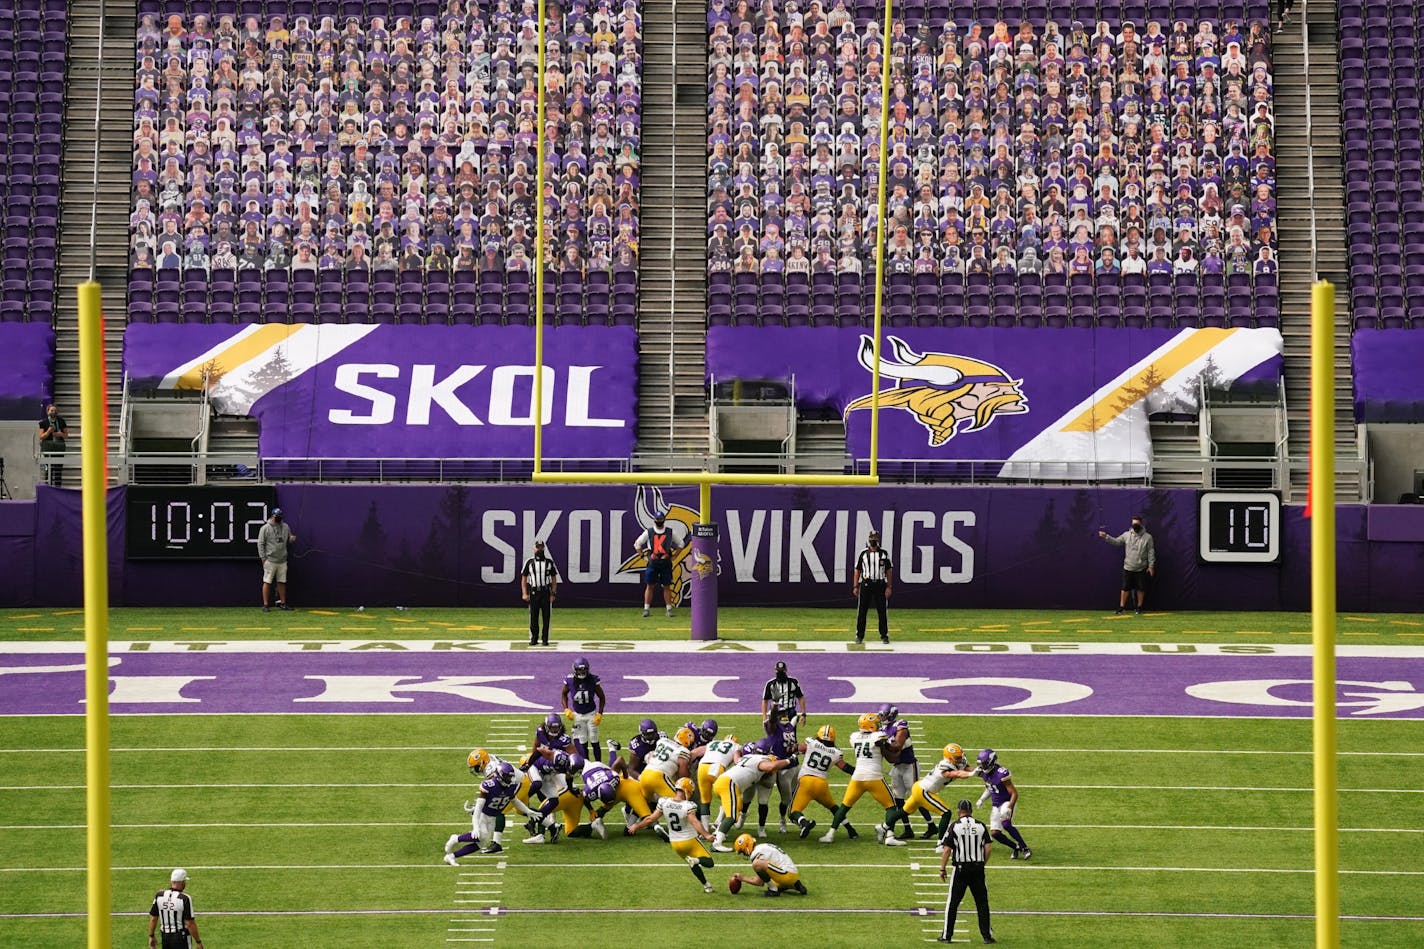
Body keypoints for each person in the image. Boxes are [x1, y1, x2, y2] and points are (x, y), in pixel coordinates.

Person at [819, 712, 907, 846]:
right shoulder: (878, 735)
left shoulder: (854, 737)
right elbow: (889, 747)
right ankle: (889, 836)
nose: (878, 725)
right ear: (870, 725)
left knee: (844, 807)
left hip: (858, 777)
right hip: (874, 777)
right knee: (891, 807)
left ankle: (830, 834)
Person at [628, 777, 719, 893]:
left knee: (691, 862)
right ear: (687, 791)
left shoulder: (664, 802)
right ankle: (696, 862)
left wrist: (636, 826)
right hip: (689, 840)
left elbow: (650, 819)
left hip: (675, 844)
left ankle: (707, 886)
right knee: (708, 862)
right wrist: (706, 835)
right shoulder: (688, 805)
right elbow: (695, 822)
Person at [787, 724, 859, 840]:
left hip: (806, 781)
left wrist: (792, 747)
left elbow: (796, 748)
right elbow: (845, 767)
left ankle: (804, 823)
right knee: (834, 808)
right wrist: (859, 772)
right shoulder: (836, 752)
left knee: (793, 811)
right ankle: (851, 830)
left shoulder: (811, 743)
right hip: (821, 784)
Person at [937, 800, 995, 944]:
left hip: (961, 869)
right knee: (982, 903)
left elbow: (947, 849)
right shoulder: (980, 825)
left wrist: (942, 868)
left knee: (953, 903)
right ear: (971, 811)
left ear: (959, 811)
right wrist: (982, 864)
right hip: (977, 868)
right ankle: (986, 936)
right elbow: (988, 848)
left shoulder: (955, 826)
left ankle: (947, 935)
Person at [974, 748, 1032, 859]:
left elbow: (1014, 793)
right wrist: (982, 799)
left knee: (1006, 824)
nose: (982, 767)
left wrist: (1009, 807)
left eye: (985, 764)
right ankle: (1016, 847)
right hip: (996, 805)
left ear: (991, 762)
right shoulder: (984, 774)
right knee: (995, 833)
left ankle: (1025, 848)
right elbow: (990, 788)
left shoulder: (1001, 774)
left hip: (1007, 801)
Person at [633, 510, 688, 617]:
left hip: (665, 563)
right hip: (653, 563)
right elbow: (637, 544)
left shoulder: (670, 532)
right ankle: (646, 609)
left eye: (661, 519)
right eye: (658, 519)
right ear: (654, 520)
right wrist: (643, 556)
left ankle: (669, 609)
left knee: (667, 586)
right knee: (650, 585)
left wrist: (675, 555)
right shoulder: (648, 532)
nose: (659, 521)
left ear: (664, 520)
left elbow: (681, 543)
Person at [1098, 514, 1156, 614]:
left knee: (1140, 589)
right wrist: (1106, 537)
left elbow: (1151, 552)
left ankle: (1139, 607)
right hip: (1128, 567)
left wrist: (1151, 566)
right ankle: (1121, 607)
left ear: (1141, 524)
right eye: (1133, 524)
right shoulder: (1126, 535)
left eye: (1137, 524)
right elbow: (1116, 542)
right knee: (1125, 588)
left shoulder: (1148, 537)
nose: (1135, 526)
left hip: (1141, 568)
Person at [560, 656, 607, 761]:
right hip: (578, 715)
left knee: (594, 741)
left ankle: (599, 763)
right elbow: (563, 694)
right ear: (574, 670)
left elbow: (602, 697)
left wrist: (599, 713)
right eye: (579, 670)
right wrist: (566, 709)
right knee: (582, 742)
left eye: (584, 669)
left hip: (591, 714)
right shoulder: (570, 680)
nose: (582, 672)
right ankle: (587, 764)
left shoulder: (593, 680)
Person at [729, 833, 807, 896]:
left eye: (742, 851)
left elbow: (759, 879)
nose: (744, 854)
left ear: (747, 847)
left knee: (756, 864)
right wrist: (743, 878)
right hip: (790, 874)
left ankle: (773, 890)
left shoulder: (757, 853)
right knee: (771, 881)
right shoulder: (761, 848)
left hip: (787, 874)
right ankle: (795, 885)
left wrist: (743, 878)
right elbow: (759, 881)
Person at [853, 529, 894, 643]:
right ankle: (859, 635)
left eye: (875, 538)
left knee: (882, 611)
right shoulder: (863, 554)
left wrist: (889, 586)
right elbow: (857, 570)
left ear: (878, 540)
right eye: (871, 538)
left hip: (880, 584)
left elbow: (889, 570)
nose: (873, 541)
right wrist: (855, 586)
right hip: (866, 583)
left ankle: (884, 635)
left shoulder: (884, 554)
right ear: (868, 539)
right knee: (862, 610)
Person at [148, 868, 203, 949]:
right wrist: (198, 942)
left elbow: (153, 918)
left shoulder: (159, 895)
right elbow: (190, 923)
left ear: (171, 881)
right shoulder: (184, 898)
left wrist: (151, 936)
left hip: (165, 937)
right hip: (181, 938)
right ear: (182, 882)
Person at [521, 538, 560, 645]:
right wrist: (524, 593)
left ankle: (545, 638)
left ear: (544, 548)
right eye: (537, 547)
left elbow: (554, 579)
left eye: (541, 547)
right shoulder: (529, 562)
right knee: (533, 616)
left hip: (545, 592)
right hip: (534, 592)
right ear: (534, 548)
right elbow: (524, 578)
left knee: (546, 616)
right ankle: (534, 637)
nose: (539, 549)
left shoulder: (549, 562)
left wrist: (553, 593)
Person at [257, 507, 296, 612]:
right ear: (272, 516)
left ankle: (282, 603)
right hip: (270, 560)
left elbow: (288, 539)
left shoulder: (286, 526)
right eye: (276, 517)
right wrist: (263, 559)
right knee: (267, 581)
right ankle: (265, 605)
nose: (278, 519)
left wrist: (291, 538)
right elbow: (260, 544)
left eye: (279, 517)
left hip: (282, 560)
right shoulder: (265, 528)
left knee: (282, 582)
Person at [761, 661, 806, 729]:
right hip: (775, 714)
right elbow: (765, 700)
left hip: (790, 712)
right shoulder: (770, 684)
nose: (780, 673)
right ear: (775, 671)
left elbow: (800, 697)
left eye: (782, 671)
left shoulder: (793, 682)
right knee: (775, 736)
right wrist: (764, 717)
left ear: (786, 670)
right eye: (779, 671)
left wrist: (803, 714)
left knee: (791, 737)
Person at [37, 404, 67, 488]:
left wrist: (60, 434)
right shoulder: (43, 422)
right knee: (48, 469)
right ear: (47, 412)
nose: (53, 412)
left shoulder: (61, 421)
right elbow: (41, 437)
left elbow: (66, 435)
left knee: (58, 470)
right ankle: (47, 488)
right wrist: (48, 432)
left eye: (55, 411)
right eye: (51, 410)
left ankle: (58, 488)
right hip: (47, 448)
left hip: (59, 448)